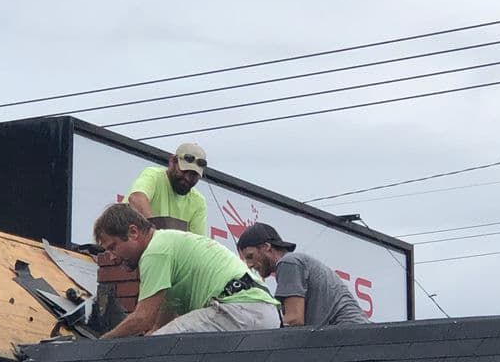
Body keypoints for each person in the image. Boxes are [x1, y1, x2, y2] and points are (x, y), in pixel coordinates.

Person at [93, 204, 280, 338]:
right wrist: (153, 333)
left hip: (238, 310)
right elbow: (163, 318)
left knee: (154, 350)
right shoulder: (170, 244)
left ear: (133, 232)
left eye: (113, 247)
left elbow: (142, 318)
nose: (112, 257)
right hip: (265, 313)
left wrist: (101, 346)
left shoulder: (155, 252)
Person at [236, 222, 370, 328]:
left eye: (250, 256)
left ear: (267, 247)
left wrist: (256, 330)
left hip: (348, 335)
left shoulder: (288, 262)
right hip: (353, 335)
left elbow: (294, 319)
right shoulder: (296, 262)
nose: (249, 265)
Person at [125, 143, 208, 235]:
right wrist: (155, 234)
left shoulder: (198, 201)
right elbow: (136, 199)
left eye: (193, 175)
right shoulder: (154, 175)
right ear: (172, 161)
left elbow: (197, 240)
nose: (187, 178)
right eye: (184, 171)